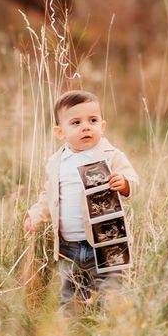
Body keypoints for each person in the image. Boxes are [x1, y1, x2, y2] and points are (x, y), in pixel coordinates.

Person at [23, 89, 139, 313]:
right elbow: (49, 197)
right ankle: (70, 335)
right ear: (60, 132)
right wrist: (35, 216)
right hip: (69, 247)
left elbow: (133, 180)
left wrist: (123, 183)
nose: (86, 127)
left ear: (102, 127)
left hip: (108, 243)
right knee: (70, 298)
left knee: (111, 295)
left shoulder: (110, 154)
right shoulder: (57, 162)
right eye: (76, 122)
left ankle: (110, 332)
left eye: (92, 120)